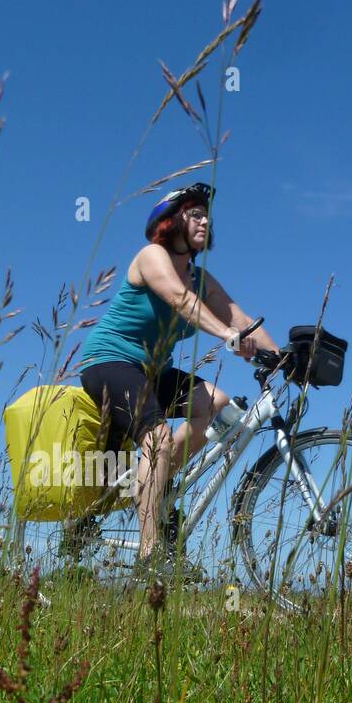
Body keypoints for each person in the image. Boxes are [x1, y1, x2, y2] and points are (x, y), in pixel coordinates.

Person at [78, 182, 280, 575]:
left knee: (218, 404)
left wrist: (285, 358)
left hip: (153, 372)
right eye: (195, 213)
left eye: (207, 214)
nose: (205, 220)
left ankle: (155, 478)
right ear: (170, 223)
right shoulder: (152, 256)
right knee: (157, 439)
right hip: (110, 360)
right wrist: (226, 336)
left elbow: (241, 319)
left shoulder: (201, 278)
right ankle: (151, 555)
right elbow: (178, 299)